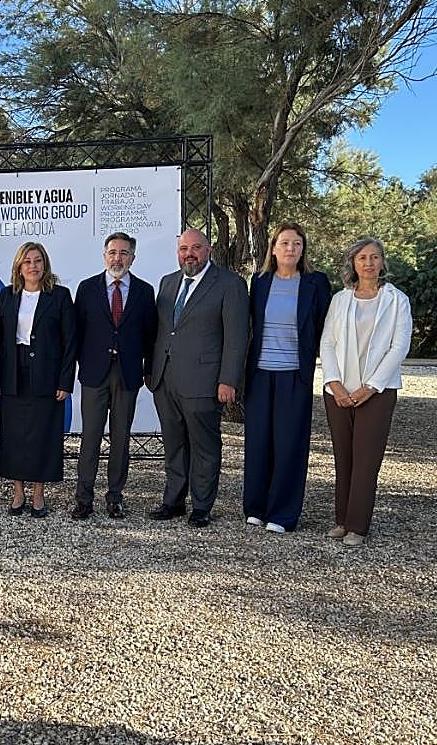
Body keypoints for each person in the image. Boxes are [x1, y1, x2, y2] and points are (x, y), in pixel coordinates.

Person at [147, 228, 249, 527]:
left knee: (204, 446)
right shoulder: (168, 282)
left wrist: (228, 380)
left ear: (209, 250)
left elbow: (237, 337)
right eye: (183, 249)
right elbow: (161, 331)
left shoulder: (229, 284)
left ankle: (202, 506)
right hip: (165, 379)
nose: (189, 254)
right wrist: (150, 369)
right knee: (174, 444)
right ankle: (174, 501)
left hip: (205, 381)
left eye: (196, 248)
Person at [319, 237, 412, 547]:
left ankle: (358, 526)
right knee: (343, 457)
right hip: (339, 392)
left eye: (374, 257)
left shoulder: (397, 300)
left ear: (383, 261)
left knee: (366, 459)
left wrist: (370, 387)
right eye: (362, 258)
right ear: (353, 263)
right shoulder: (340, 299)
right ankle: (342, 520)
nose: (369, 263)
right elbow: (327, 343)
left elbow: (399, 347)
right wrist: (334, 382)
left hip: (377, 392)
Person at [242, 222, 332, 534]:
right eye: (284, 243)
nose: (290, 248)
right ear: (273, 248)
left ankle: (282, 514)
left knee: (289, 444)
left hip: (295, 374)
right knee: (258, 443)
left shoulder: (315, 283)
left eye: (296, 243)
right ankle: (256, 508)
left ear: (303, 249)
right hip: (260, 374)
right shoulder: (260, 281)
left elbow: (323, 328)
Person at [70, 232, 158, 521]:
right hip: (94, 374)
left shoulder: (144, 291)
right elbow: (77, 333)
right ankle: (84, 499)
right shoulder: (87, 288)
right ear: (104, 255)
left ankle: (115, 498)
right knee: (90, 438)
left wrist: (148, 370)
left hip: (128, 374)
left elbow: (150, 336)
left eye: (123, 253)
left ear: (133, 257)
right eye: (112, 252)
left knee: (121, 439)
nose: (117, 258)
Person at [0, 241, 77, 518]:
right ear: (19, 266)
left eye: (38, 260)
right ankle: (18, 492)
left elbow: (70, 342)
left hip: (47, 374)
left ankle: (39, 493)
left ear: (45, 265)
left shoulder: (60, 296)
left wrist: (65, 381)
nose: (33, 266)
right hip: (13, 373)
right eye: (27, 261)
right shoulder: (6, 295)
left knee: (43, 433)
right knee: (14, 435)